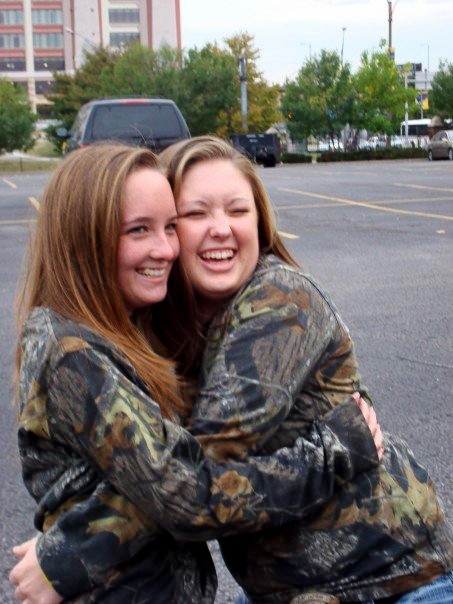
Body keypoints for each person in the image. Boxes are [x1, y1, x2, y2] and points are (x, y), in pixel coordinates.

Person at [9, 143, 381, 603]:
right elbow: (182, 485)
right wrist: (68, 556)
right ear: (85, 236)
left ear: (261, 222)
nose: (166, 247)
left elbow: (177, 477)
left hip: (380, 580)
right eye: (142, 228)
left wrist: (67, 555)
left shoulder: (278, 300)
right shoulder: (87, 347)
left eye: (169, 226)